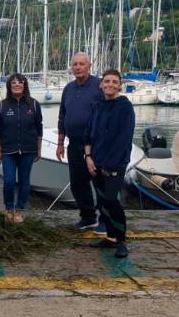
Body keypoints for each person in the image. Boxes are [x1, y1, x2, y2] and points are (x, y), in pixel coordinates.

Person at [84, 69, 135, 258]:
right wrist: (88, 157)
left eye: (114, 82)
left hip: (114, 165)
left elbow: (123, 138)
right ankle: (110, 237)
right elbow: (89, 133)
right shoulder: (97, 106)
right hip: (95, 162)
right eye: (107, 81)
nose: (110, 85)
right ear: (101, 84)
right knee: (102, 201)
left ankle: (121, 240)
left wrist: (109, 166)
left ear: (119, 85)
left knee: (113, 201)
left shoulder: (124, 107)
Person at [56, 53, 106, 233]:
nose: (77, 67)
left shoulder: (99, 86)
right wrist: (60, 143)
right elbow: (62, 116)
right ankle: (88, 217)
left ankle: (105, 220)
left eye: (81, 64)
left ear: (89, 66)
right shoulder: (68, 88)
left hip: (96, 144)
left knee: (100, 182)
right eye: (75, 64)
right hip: (74, 143)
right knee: (77, 183)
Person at [0, 74, 42, 223]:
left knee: (24, 181)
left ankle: (20, 209)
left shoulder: (34, 104)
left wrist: (38, 150)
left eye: (20, 83)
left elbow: (39, 128)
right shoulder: (2, 105)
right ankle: (9, 208)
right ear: (9, 86)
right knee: (8, 181)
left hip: (28, 149)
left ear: (25, 85)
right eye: (13, 83)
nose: (16, 85)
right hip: (8, 150)